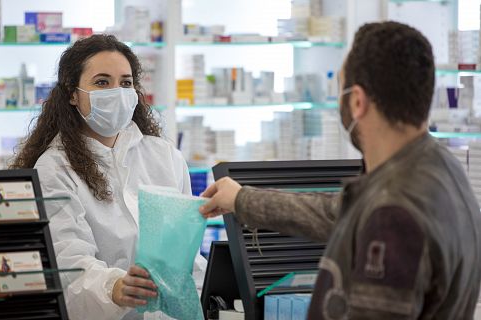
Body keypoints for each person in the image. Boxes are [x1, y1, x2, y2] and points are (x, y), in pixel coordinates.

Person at [199, 21, 481, 319]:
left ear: (357, 101)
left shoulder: (393, 216)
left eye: (340, 90)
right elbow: (337, 212)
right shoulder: (438, 169)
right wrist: (242, 199)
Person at [11, 34, 206, 320]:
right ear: (72, 93)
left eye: (125, 83)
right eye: (102, 82)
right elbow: (68, 265)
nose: (117, 92)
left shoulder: (163, 156)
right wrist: (114, 287)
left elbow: (188, 258)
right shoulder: (54, 169)